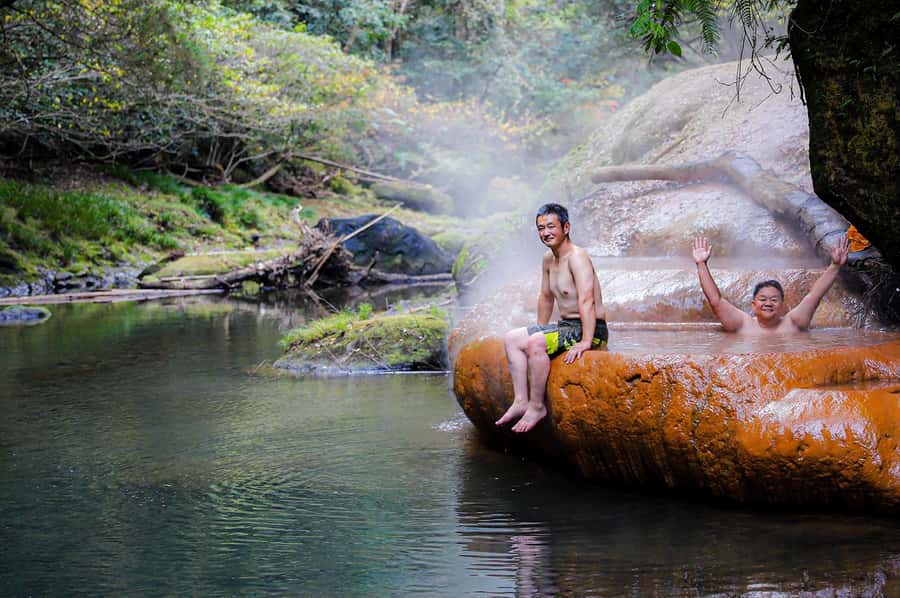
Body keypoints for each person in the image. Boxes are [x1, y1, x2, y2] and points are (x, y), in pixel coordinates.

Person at [496, 203, 608, 433]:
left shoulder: (578, 257)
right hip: (567, 326)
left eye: (550, 226)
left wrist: (587, 341)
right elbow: (546, 297)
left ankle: (537, 406)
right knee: (511, 338)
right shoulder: (549, 259)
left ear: (566, 227)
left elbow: (587, 300)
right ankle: (521, 401)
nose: (545, 233)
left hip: (591, 328)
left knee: (536, 343)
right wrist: (541, 327)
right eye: (540, 228)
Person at [691, 235, 851, 334]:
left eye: (774, 300)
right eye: (763, 299)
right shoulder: (743, 324)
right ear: (753, 305)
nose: (768, 303)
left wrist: (835, 266)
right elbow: (715, 301)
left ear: (782, 306)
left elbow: (814, 296)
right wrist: (701, 264)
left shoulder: (793, 323)